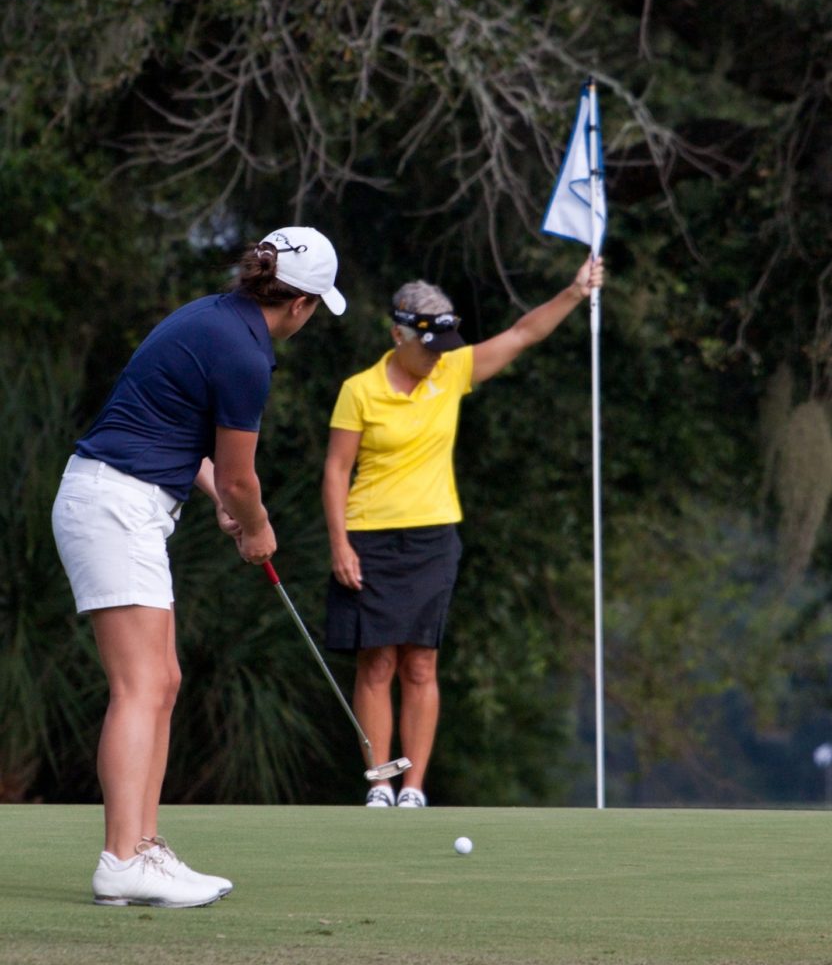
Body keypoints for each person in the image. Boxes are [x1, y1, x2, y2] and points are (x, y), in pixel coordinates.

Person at [52, 226, 346, 907]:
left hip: (125, 501)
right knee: (141, 683)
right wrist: (255, 529)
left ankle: (142, 851)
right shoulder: (247, 353)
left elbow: (182, 436)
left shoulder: (211, 316)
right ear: (300, 305)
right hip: (114, 504)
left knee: (163, 679)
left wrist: (218, 498)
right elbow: (243, 478)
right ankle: (122, 857)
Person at [322, 255, 604, 807]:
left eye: (441, 348)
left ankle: (414, 787)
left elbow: (523, 333)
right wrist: (339, 544)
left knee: (421, 662)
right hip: (369, 536)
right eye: (426, 347)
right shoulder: (359, 390)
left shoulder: (451, 374)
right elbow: (336, 471)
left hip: (433, 537)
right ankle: (379, 781)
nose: (435, 358)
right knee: (377, 661)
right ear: (397, 333)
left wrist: (574, 291)